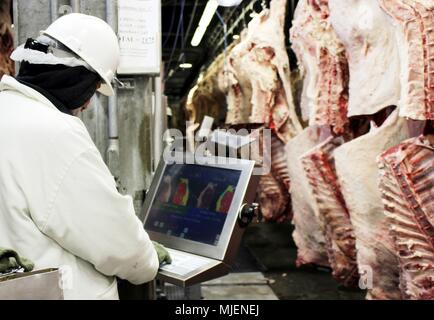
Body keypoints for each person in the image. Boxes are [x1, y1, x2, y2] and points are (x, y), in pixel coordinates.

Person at [0, 13, 170, 300]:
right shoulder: (56, 133)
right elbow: (115, 241)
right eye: (91, 89)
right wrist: (146, 259)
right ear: (76, 79)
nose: (89, 104)